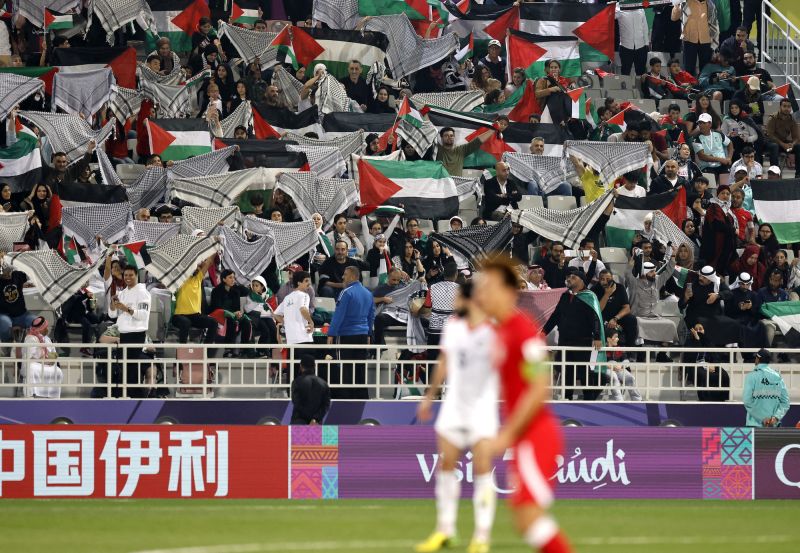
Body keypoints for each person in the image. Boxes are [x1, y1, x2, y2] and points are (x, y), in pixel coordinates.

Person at [474, 256, 573, 553]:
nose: (482, 294)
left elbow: (541, 386)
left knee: (529, 517)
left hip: (536, 434)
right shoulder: (502, 331)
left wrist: (507, 433)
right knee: (526, 520)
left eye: (488, 288)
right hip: (525, 436)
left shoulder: (521, 330)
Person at [415, 280, 499, 553]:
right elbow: (444, 360)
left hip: (482, 407)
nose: (454, 301)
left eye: (459, 297)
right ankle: (445, 530)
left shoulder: (492, 331)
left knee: (483, 470)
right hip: (454, 405)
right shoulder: (453, 327)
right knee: (446, 466)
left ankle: (482, 536)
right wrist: (430, 395)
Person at [542, 267, 603, 401]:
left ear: (581, 281)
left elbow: (595, 318)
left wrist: (597, 336)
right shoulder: (565, 295)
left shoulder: (589, 296)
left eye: (573, 277)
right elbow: (555, 316)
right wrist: (543, 332)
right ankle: (567, 399)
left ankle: (589, 401)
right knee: (566, 372)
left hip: (582, 342)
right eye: (568, 277)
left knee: (584, 373)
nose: (569, 279)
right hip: (565, 340)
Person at [326, 266, 375, 400]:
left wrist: (331, 333)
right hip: (363, 335)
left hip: (346, 335)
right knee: (360, 367)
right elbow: (372, 316)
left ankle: (345, 400)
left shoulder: (346, 292)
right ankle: (362, 398)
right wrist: (369, 333)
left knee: (345, 368)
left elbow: (338, 315)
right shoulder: (368, 293)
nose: (343, 277)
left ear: (353, 276)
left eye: (345, 275)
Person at [109, 266, 154, 397]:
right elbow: (112, 315)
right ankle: (127, 395)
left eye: (131, 275)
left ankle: (136, 397)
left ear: (137, 276)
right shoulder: (122, 293)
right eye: (126, 275)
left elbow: (144, 315)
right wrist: (112, 305)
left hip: (136, 334)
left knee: (132, 369)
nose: (128, 278)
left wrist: (126, 309)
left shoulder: (143, 293)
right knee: (125, 369)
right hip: (123, 334)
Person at [171, 253, 219, 346]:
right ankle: (182, 354)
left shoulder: (198, 278)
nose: (197, 268)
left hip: (195, 316)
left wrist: (215, 245)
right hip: (179, 316)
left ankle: (206, 350)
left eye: (197, 267)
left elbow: (209, 262)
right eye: (194, 267)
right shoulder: (181, 279)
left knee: (213, 322)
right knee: (185, 322)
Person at [592, 269, 638, 355]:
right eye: (602, 279)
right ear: (599, 279)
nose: (605, 282)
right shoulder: (595, 289)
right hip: (601, 317)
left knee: (631, 319)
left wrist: (615, 318)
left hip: (616, 317)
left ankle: (629, 351)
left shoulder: (620, 287)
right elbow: (598, 310)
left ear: (612, 278)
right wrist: (607, 294)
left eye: (608, 279)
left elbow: (627, 308)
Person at [209, 269, 252, 357]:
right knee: (232, 321)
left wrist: (238, 313)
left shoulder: (235, 290)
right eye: (230, 277)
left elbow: (237, 307)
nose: (233, 280)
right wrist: (232, 313)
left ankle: (244, 349)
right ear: (224, 279)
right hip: (220, 315)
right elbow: (217, 307)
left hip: (232, 315)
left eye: (234, 278)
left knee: (246, 321)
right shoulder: (216, 291)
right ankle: (228, 349)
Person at [743, 349, 790, 427]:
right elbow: (785, 402)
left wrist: (762, 418)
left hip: (754, 425)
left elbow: (747, 401)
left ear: (757, 359)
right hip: (774, 426)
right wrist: (776, 418)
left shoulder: (751, 377)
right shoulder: (778, 377)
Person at [700, 185, 738, 276]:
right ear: (718, 195)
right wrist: (733, 230)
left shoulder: (729, 210)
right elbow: (717, 224)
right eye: (723, 193)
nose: (725, 195)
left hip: (725, 244)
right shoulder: (714, 207)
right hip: (715, 243)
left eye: (728, 194)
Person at [671, 0, 717, 75]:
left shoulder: (710, 4)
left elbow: (714, 23)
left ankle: (704, 85)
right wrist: (676, 4)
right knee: (689, 68)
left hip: (706, 40)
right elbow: (674, 18)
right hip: (689, 40)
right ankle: (690, 86)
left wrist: (715, 42)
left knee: (706, 68)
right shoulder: (685, 3)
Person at [22, 317, 62, 398]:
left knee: (58, 371)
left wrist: (52, 358)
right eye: (45, 327)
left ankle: (52, 396)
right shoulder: (30, 338)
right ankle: (33, 394)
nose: (47, 329)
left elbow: (53, 352)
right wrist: (43, 359)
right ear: (41, 328)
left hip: (46, 364)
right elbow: (29, 358)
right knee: (32, 368)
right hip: (35, 363)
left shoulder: (47, 339)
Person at [275, 270, 315, 350]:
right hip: (303, 337)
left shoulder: (287, 298)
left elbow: (276, 314)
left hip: (290, 339)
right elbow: (303, 309)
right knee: (305, 361)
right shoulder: (304, 295)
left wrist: (286, 323)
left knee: (294, 362)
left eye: (309, 281)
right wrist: (311, 322)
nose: (309, 283)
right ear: (299, 283)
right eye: (306, 281)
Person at [0, 259, 36, 344]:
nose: (8, 275)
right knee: (4, 325)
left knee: (36, 322)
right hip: (4, 315)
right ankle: (7, 344)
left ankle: (30, 345)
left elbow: (31, 271)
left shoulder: (17, 275)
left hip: (22, 314)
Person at [290, 354, 331, 425]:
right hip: (316, 424)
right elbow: (326, 405)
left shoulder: (296, 382)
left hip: (299, 422)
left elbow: (296, 402)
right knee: (315, 436)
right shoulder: (324, 384)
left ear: (301, 366)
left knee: (297, 436)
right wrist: (315, 419)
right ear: (314, 366)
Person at [765, 99, 800, 179]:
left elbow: (796, 137)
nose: (787, 108)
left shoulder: (791, 119)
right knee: (774, 146)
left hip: (783, 143)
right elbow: (770, 135)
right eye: (784, 106)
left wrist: (792, 144)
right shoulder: (773, 118)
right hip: (770, 142)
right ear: (780, 107)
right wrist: (783, 144)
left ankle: (798, 175)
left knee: (798, 147)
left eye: (789, 106)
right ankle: (775, 174)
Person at [616, 3, 650, 77]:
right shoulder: (619, 7)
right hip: (625, 46)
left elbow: (645, 27)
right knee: (625, 72)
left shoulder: (640, 8)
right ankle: (625, 89)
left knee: (641, 73)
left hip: (641, 46)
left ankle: (641, 88)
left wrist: (647, 43)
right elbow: (611, 16)